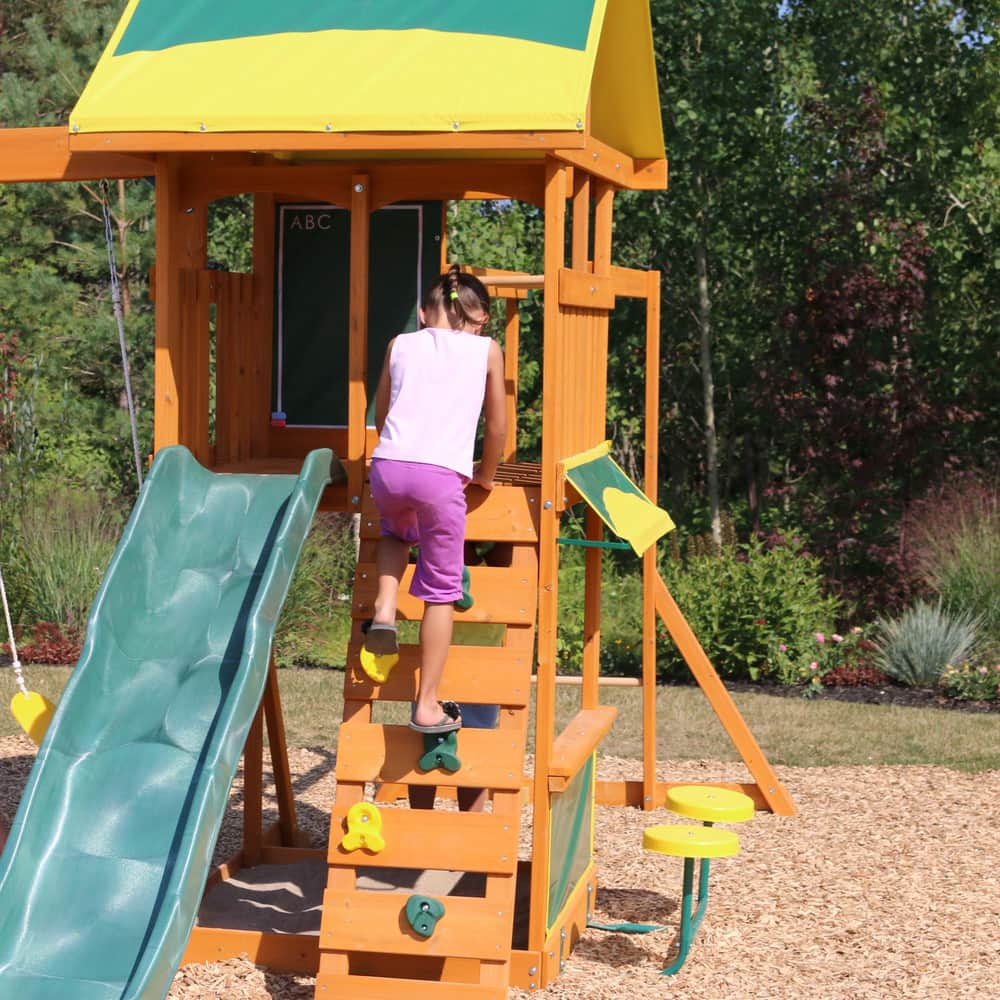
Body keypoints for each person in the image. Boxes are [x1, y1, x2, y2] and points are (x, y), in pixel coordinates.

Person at [365, 265, 506, 743]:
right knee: (440, 591)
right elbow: (497, 428)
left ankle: (384, 610)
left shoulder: (400, 343)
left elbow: (383, 411)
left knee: (393, 533)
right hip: (441, 475)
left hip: (388, 465)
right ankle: (427, 705)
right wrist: (484, 475)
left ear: (424, 313)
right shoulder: (487, 350)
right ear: (481, 316)